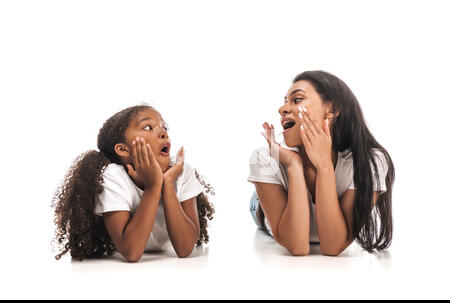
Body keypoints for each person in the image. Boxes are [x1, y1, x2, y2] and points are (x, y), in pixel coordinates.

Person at [248, 70, 394, 256]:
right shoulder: (265, 157)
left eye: (297, 99)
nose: (282, 109)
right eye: (285, 101)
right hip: (264, 207)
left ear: (331, 109)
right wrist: (294, 165)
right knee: (260, 196)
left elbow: (332, 247)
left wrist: (324, 166)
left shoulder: (369, 162)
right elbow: (297, 246)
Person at [52, 105, 214, 262]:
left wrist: (167, 182)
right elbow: (132, 251)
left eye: (164, 127)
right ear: (123, 150)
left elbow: (185, 249)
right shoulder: (113, 176)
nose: (163, 132)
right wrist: (153, 186)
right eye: (148, 127)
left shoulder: (181, 172)